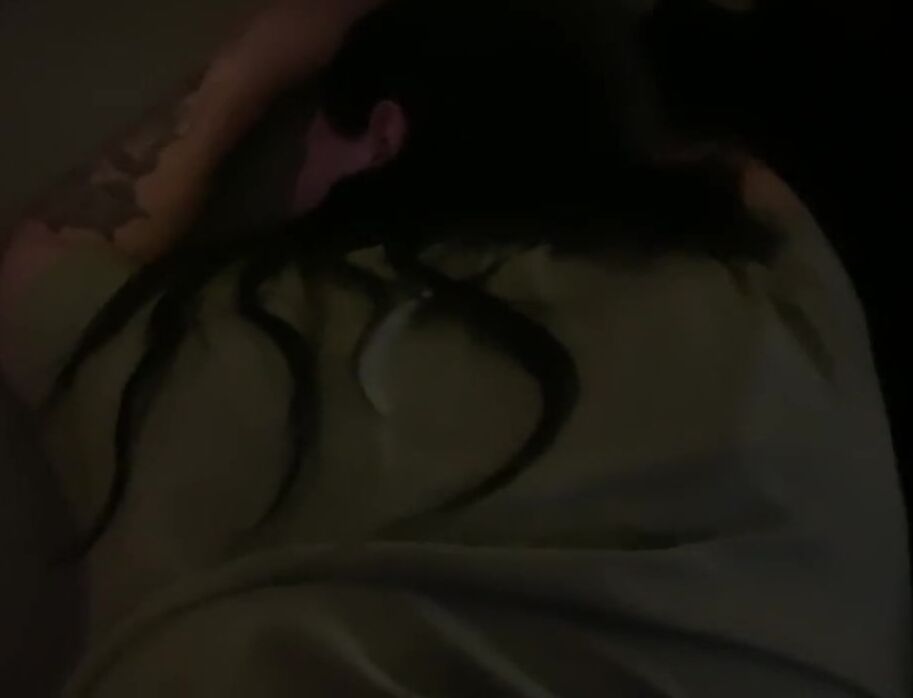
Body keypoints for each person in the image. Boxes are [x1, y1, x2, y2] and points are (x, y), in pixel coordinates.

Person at [0, 0, 908, 695]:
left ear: (383, 134)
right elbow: (732, 174)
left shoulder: (221, 336)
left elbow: (47, 256)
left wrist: (265, 52)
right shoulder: (769, 290)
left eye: (317, 147)